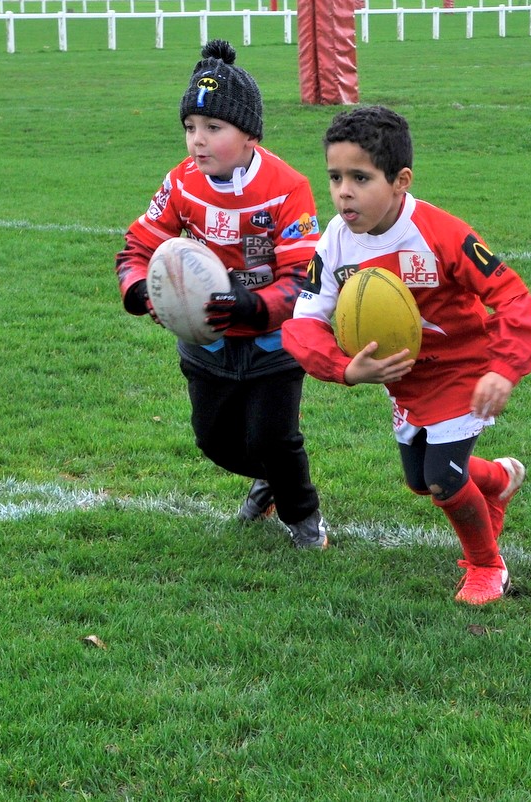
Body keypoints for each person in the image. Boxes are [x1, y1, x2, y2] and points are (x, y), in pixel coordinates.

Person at [282, 106, 531, 605]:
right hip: (405, 381)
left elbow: (513, 297)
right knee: (421, 481)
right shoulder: (334, 242)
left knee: (444, 481)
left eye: (360, 177)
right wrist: (343, 368)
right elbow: (303, 322)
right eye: (335, 176)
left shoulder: (441, 233)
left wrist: (503, 369)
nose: (343, 191)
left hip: (463, 370)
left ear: (401, 181)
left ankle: (487, 567)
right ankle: (500, 478)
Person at [115, 40, 328, 549]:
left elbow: (304, 278)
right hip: (205, 341)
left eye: (213, 128)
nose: (197, 141)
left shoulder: (288, 188)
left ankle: (304, 518)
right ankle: (268, 479)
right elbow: (138, 244)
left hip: (273, 343)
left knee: (274, 438)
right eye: (190, 128)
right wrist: (141, 290)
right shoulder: (182, 183)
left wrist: (255, 305)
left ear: (250, 135)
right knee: (214, 442)